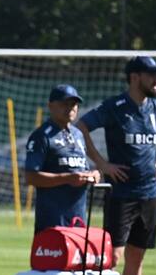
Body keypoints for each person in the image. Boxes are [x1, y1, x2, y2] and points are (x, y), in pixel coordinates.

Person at [76, 56, 156, 275]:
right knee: (114, 256)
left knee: (137, 257)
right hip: (121, 194)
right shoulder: (114, 107)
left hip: (149, 193)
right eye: (152, 74)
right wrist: (102, 164)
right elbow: (81, 127)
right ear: (135, 76)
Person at [25, 84, 101, 234]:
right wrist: (66, 178)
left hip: (78, 220)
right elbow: (31, 177)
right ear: (51, 106)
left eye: (74, 104)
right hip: (52, 222)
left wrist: (92, 175)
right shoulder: (41, 136)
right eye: (64, 104)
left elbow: (80, 170)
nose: (70, 108)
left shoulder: (78, 135)